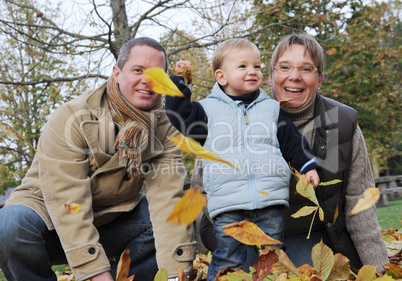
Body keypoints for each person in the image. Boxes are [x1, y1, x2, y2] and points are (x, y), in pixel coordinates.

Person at [0, 37, 196, 281]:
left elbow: (168, 200)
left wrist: (176, 276)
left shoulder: (165, 128)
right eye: (138, 70)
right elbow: (67, 201)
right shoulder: (72, 118)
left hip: (113, 219)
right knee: (9, 225)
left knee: (169, 222)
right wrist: (95, 273)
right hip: (50, 217)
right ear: (116, 73)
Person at [195, 33, 390, 274]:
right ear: (272, 76)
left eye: (306, 69)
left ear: (319, 80)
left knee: (301, 272)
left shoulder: (338, 125)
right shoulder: (230, 116)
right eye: (285, 67)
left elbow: (359, 206)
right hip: (238, 232)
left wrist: (381, 271)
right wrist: (239, 227)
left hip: (307, 232)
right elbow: (201, 189)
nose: (294, 76)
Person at [165, 38, 320, 281]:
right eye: (243, 67)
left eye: (257, 66)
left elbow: (292, 142)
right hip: (227, 203)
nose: (252, 71)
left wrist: (308, 166)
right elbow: (180, 118)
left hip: (269, 201)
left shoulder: (271, 108)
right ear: (221, 77)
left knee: (274, 255)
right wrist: (178, 84)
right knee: (228, 256)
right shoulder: (206, 111)